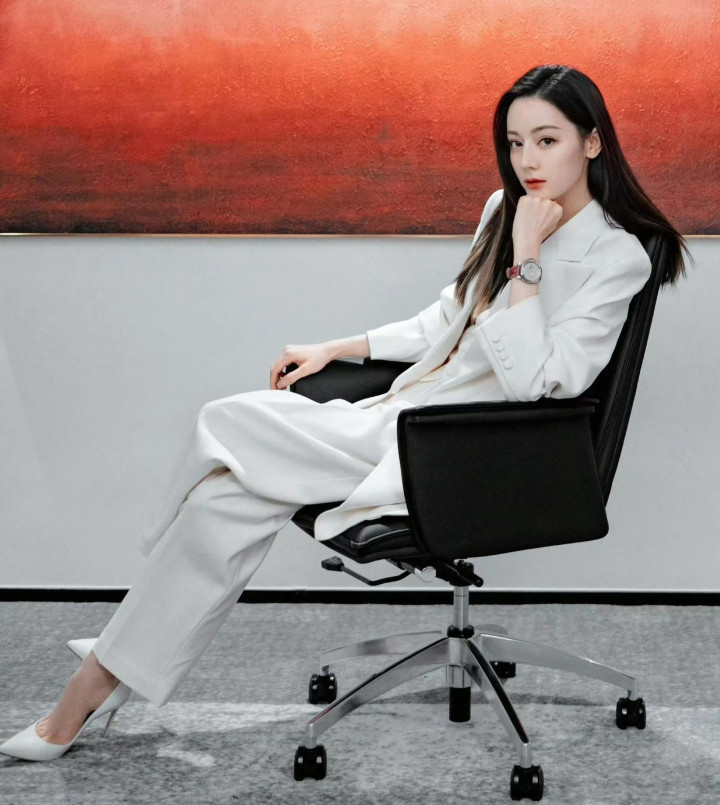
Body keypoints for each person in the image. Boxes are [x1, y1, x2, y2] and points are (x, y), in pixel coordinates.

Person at [0, 63, 690, 761]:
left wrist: (528, 259)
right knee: (222, 498)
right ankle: (110, 668)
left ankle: (106, 666)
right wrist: (341, 346)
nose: (527, 162)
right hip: (403, 415)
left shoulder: (616, 257)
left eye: (547, 140)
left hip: (461, 448)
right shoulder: (502, 210)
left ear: (591, 143)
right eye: (515, 144)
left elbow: (539, 383)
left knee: (227, 424)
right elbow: (444, 321)